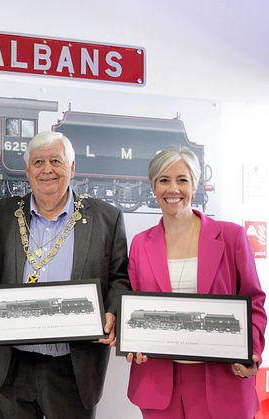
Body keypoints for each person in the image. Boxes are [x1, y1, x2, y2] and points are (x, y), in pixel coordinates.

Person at [0, 131, 130, 419]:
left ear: (72, 168)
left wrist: (111, 311)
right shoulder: (1, 214)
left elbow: (120, 277)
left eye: (56, 161)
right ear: (27, 169)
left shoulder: (107, 218)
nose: (47, 170)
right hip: (12, 364)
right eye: (38, 162)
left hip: (74, 366)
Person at [125, 147, 266, 419]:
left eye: (182, 179)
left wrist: (251, 350)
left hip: (222, 379)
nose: (172, 188)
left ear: (195, 184)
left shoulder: (231, 236)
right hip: (159, 381)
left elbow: (254, 301)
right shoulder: (140, 243)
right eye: (163, 180)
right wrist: (134, 342)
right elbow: (134, 306)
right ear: (153, 187)